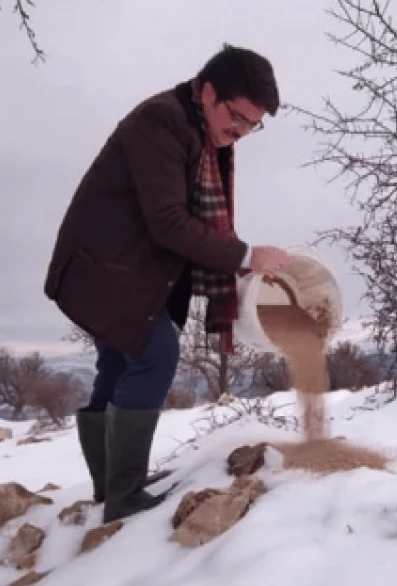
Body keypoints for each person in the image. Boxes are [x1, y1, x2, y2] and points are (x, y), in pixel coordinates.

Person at [43, 44, 290, 524]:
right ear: (210, 91)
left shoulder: (196, 129)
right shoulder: (161, 123)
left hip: (128, 270)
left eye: (251, 126)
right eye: (237, 117)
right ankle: (125, 492)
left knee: (118, 363)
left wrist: (238, 261)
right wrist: (246, 255)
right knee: (155, 355)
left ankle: (112, 485)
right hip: (104, 269)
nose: (239, 133)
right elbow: (168, 223)